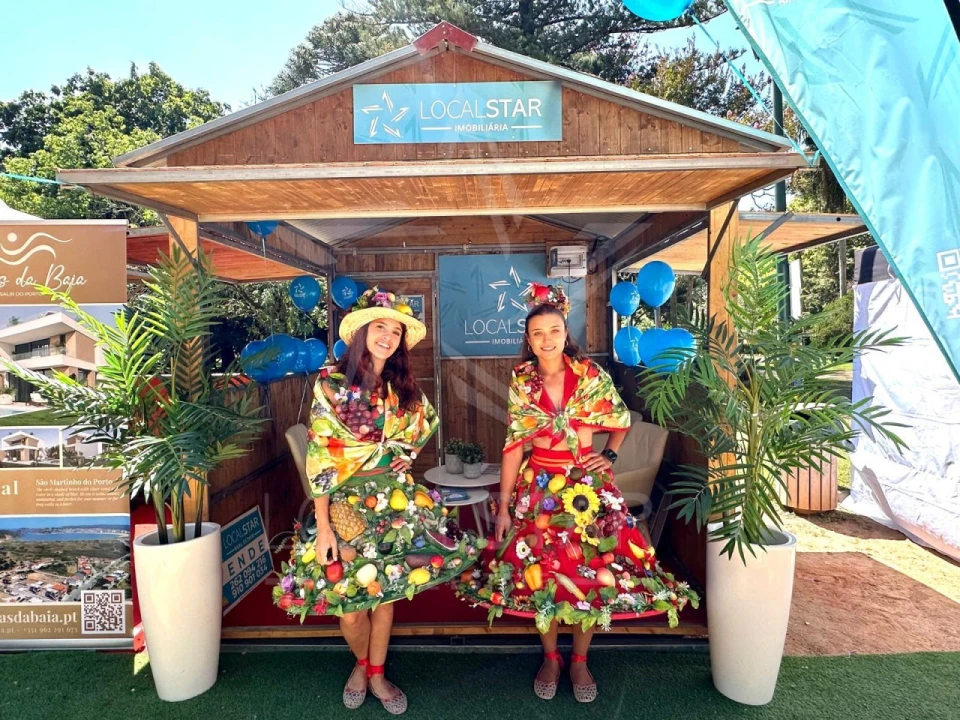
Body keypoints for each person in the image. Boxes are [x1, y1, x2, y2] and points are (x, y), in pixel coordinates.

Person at [457, 283, 698, 703]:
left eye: (554, 330)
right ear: (528, 341)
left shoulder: (589, 375)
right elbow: (514, 444)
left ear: (565, 332)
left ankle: (581, 660)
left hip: (586, 486)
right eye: (537, 333)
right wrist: (504, 506)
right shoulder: (522, 380)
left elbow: (620, 419)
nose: (547, 339)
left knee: (594, 570)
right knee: (543, 573)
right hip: (538, 487)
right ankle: (551, 656)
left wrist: (608, 453)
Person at [274, 286, 482, 715]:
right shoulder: (331, 384)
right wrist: (324, 524)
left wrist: (403, 457)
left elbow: (423, 425)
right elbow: (321, 458)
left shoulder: (402, 387)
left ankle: (375, 673)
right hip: (345, 503)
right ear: (363, 331)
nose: (387, 336)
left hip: (393, 500)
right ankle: (361, 662)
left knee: (385, 594)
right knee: (350, 607)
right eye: (380, 326)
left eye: (396, 330)